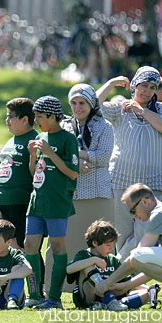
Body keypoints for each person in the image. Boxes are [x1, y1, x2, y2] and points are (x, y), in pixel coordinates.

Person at [96, 67, 162, 259]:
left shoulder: (161, 109)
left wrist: (141, 110)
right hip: (121, 181)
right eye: (143, 86)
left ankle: (115, 268)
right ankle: (122, 282)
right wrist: (112, 83)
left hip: (152, 184)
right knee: (121, 234)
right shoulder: (119, 110)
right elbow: (92, 105)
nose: (147, 91)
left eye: (151, 87)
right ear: (134, 86)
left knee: (145, 232)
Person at [95, 183, 162, 311]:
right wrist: (126, 286)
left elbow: (136, 258)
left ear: (144, 202)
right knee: (141, 256)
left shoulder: (159, 213)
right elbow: (154, 267)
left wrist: (107, 283)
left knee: (137, 255)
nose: (133, 216)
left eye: (133, 210)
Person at [56, 84, 115, 286]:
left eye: (82, 103)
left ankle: (106, 285)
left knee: (102, 243)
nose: (77, 107)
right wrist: (77, 160)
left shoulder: (104, 126)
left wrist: (76, 153)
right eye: (73, 103)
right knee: (67, 243)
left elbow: (104, 157)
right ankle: (61, 287)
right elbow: (56, 154)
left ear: (91, 104)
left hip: (99, 192)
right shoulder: (63, 126)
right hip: (71, 193)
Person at [24, 95, 79, 310]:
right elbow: (34, 172)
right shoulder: (41, 137)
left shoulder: (67, 139)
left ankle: (54, 298)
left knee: (57, 247)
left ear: (52, 116)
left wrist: (49, 152)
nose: (36, 120)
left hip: (57, 202)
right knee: (30, 245)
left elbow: (72, 173)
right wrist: (32, 155)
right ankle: (35, 294)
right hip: (37, 201)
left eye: (39, 116)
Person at [66, 220, 151, 311]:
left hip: (114, 297)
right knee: (88, 266)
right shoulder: (84, 254)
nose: (111, 248)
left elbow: (127, 281)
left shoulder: (112, 259)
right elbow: (69, 269)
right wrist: (93, 260)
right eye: (108, 245)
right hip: (89, 298)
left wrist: (150, 288)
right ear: (95, 243)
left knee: (147, 294)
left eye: (113, 245)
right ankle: (109, 301)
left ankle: (112, 305)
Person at [0, 98, 37, 250]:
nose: (7, 120)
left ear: (25, 120)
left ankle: (33, 274)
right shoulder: (11, 141)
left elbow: (37, 173)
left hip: (21, 203)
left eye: (11, 116)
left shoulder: (34, 140)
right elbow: (1, 173)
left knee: (24, 247)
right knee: (5, 249)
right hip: (4, 202)